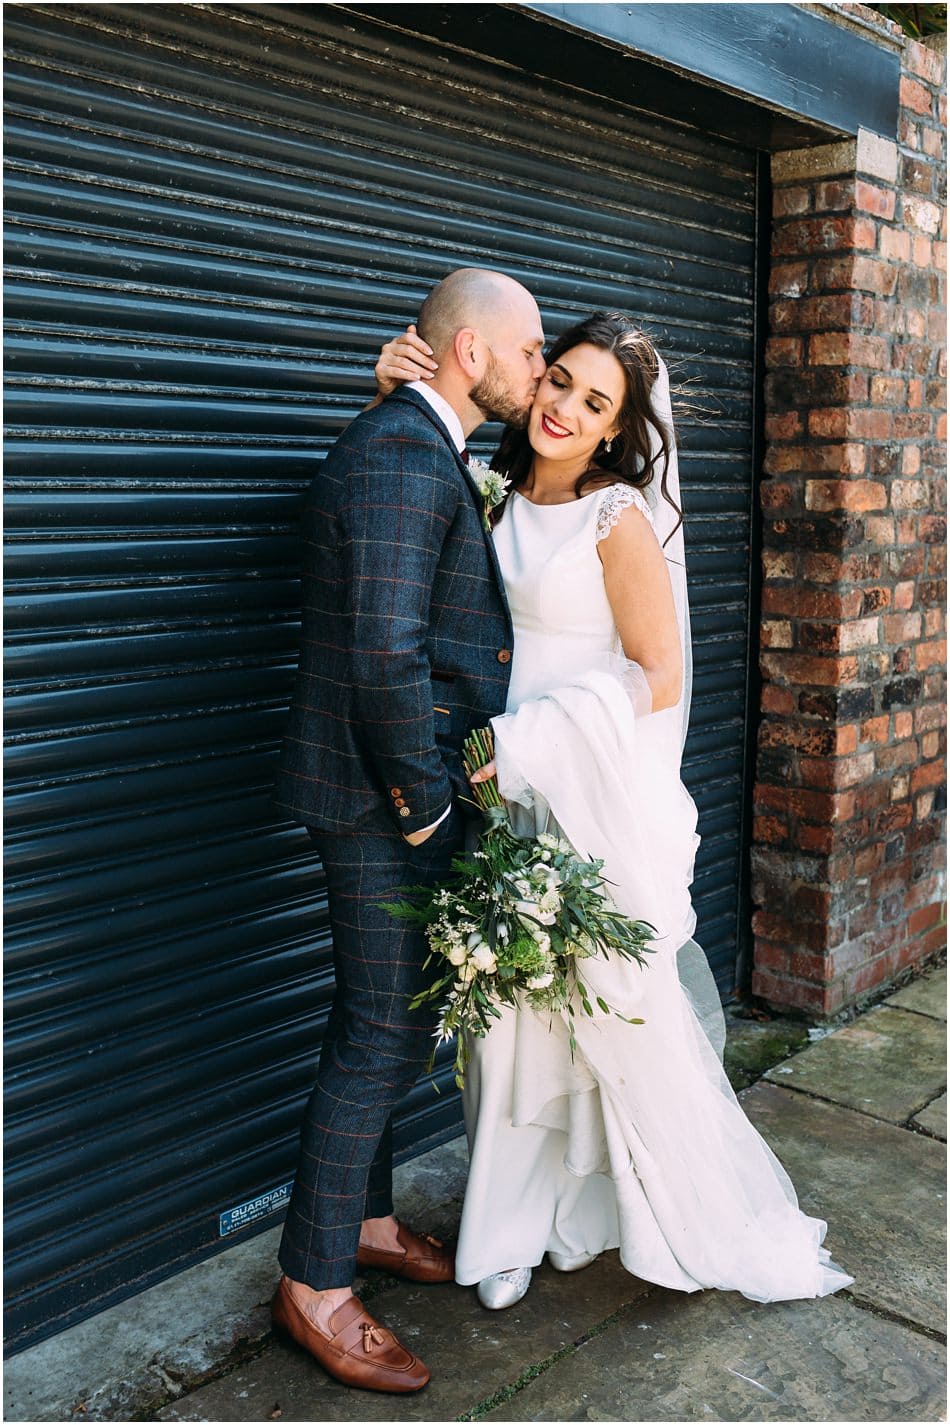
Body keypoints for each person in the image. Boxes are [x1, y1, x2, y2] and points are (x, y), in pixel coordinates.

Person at [373, 311, 853, 1312]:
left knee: (606, 1022)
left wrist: (532, 740)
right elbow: (398, 534)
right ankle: (506, 1226)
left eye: (594, 404)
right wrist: (388, 397)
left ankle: (617, 1215)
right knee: (501, 1022)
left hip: (580, 795)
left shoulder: (616, 517)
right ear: (535, 380)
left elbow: (658, 676)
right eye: (559, 383)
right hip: (492, 795)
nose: (563, 409)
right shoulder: (484, 486)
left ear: (613, 430)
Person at [271, 268, 546, 1392]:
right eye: (530, 352)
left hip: (382, 790)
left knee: (384, 1016)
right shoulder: (398, 455)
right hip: (380, 798)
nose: (540, 373)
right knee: (381, 1029)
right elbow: (384, 653)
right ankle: (316, 1283)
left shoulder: (421, 444)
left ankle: (370, 1221)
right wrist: (430, 801)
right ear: (471, 354)